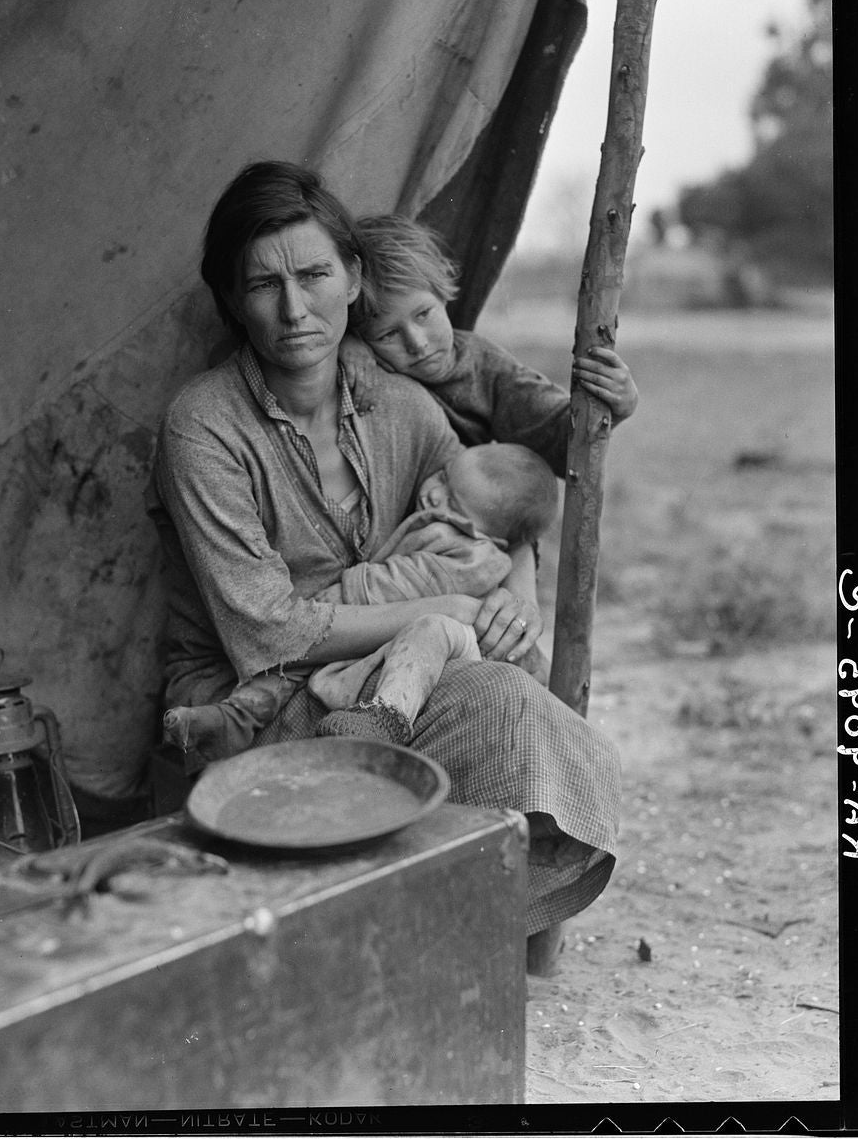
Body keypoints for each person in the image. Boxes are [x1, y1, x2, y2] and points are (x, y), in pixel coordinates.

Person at [146, 160, 621, 975]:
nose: (294, 309)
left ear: (353, 278)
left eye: (314, 275)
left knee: (517, 681)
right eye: (262, 285)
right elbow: (265, 630)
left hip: (387, 678)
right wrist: (445, 614)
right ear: (230, 299)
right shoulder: (204, 427)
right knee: (493, 695)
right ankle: (394, 941)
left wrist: (517, 593)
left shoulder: (399, 402)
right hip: (255, 695)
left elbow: (484, 504)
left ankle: (433, 936)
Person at [164, 440, 558, 762]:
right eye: (442, 475)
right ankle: (235, 718)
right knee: (290, 667)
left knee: (311, 659)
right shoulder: (453, 520)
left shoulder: (473, 558)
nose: (433, 492)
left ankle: (383, 720)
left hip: (417, 635)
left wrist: (344, 595)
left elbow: (402, 584)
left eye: (452, 503)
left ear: (493, 536)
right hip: (390, 626)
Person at [340, 214, 639, 474]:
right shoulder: (359, 362)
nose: (417, 344)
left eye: (423, 314)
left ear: (442, 294)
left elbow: (557, 438)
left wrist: (614, 407)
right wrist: (343, 345)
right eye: (388, 335)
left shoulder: (484, 365)